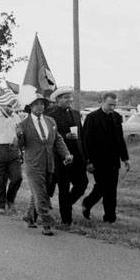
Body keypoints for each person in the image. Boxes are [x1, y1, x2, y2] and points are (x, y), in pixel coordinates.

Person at [17, 94, 73, 236]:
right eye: (36, 104)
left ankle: (29, 217)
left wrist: (66, 154)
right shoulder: (23, 124)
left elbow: (58, 140)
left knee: (42, 191)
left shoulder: (50, 121)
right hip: (33, 164)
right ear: (30, 107)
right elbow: (20, 145)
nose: (40, 107)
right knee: (41, 194)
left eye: (42, 104)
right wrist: (18, 136)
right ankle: (47, 222)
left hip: (49, 162)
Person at [81, 92, 130, 224]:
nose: (112, 108)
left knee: (111, 190)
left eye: (114, 105)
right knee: (102, 187)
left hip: (113, 160)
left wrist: (125, 158)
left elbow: (120, 140)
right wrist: (88, 161)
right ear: (102, 102)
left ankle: (109, 218)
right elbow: (86, 141)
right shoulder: (92, 118)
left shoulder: (116, 117)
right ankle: (87, 203)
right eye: (110, 105)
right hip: (97, 160)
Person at [47, 86, 88, 228]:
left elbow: (81, 136)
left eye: (70, 97)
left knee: (82, 184)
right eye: (65, 97)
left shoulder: (76, 114)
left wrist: (85, 156)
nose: (69, 100)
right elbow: (50, 136)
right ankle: (66, 220)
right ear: (58, 99)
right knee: (63, 188)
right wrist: (66, 136)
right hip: (60, 157)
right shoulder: (51, 114)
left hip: (77, 157)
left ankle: (66, 205)